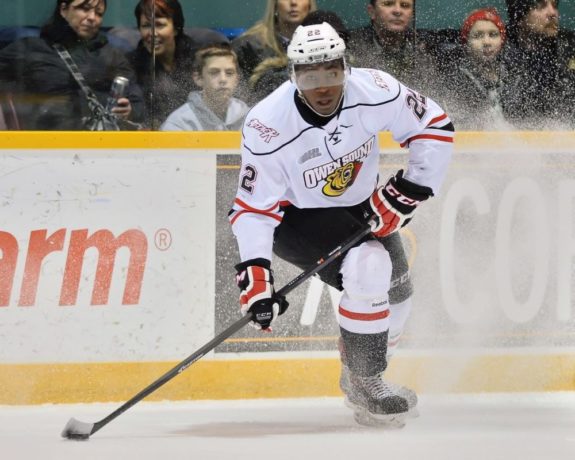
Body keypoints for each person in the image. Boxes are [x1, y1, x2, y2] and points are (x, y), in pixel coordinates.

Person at [229, 23, 453, 426]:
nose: (323, 87)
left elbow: (434, 126)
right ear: (293, 76)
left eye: (331, 73)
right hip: (294, 217)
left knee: (399, 293)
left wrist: (407, 191)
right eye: (310, 76)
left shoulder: (375, 89)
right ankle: (367, 380)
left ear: (346, 68)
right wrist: (256, 273)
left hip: (358, 204)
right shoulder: (267, 125)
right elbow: (253, 209)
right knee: (370, 266)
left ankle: (358, 368)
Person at [0, 0, 144, 130]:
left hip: (99, 144)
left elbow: (138, 103)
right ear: (63, 9)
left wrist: (130, 111)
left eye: (99, 13)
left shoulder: (112, 56)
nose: (92, 17)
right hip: (45, 143)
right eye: (84, 9)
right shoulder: (31, 48)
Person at [128, 0, 228, 130]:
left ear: (175, 28)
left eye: (159, 25)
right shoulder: (132, 63)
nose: (152, 33)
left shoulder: (199, 59)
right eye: (146, 26)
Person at [248, 9, 351, 104]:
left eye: (337, 40)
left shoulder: (358, 75)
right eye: (318, 43)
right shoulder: (274, 81)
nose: (328, 50)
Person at [502, 0, 575, 128]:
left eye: (555, 5)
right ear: (519, 16)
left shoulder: (570, 46)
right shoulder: (499, 51)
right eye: (540, 6)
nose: (553, 13)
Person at [232, 0, 317, 103]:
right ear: (275, 5)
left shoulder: (324, 44)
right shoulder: (247, 46)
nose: (293, 2)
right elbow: (237, 99)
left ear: (309, 4)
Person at [440, 8, 511, 130]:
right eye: (478, 36)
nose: (487, 42)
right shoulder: (454, 80)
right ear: (466, 42)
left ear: (502, 40)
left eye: (493, 35)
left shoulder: (514, 76)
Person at [347, 0, 439, 95]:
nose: (397, 11)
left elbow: (432, 96)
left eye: (405, 5)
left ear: (412, 14)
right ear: (372, 11)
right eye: (388, 4)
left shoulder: (424, 49)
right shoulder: (351, 47)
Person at [160, 44, 249, 131]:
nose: (223, 79)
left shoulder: (250, 118)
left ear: (237, 79)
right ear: (198, 78)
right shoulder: (178, 124)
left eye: (229, 73)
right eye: (214, 72)